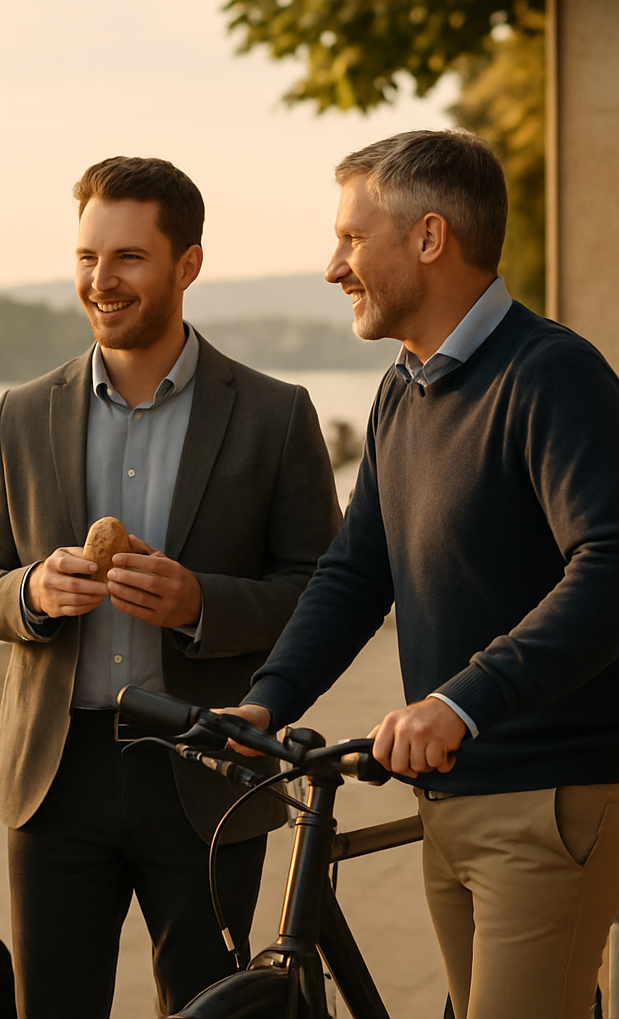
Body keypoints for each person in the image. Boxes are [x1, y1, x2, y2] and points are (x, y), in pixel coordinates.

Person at [228, 130, 619, 1019]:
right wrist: (269, 698)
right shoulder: (403, 387)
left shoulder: (551, 374)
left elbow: (610, 565)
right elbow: (357, 569)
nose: (334, 266)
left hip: (544, 801)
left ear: (430, 238)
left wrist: (459, 701)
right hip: (449, 799)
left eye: (353, 238)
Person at [0, 156, 341, 1018]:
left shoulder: (278, 414)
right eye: (88, 256)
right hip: (54, 779)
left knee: (210, 1009)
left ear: (187, 265)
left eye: (127, 257)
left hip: (205, 772)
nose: (102, 279)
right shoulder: (21, 413)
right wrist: (29, 594)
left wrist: (202, 605)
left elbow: (323, 588)